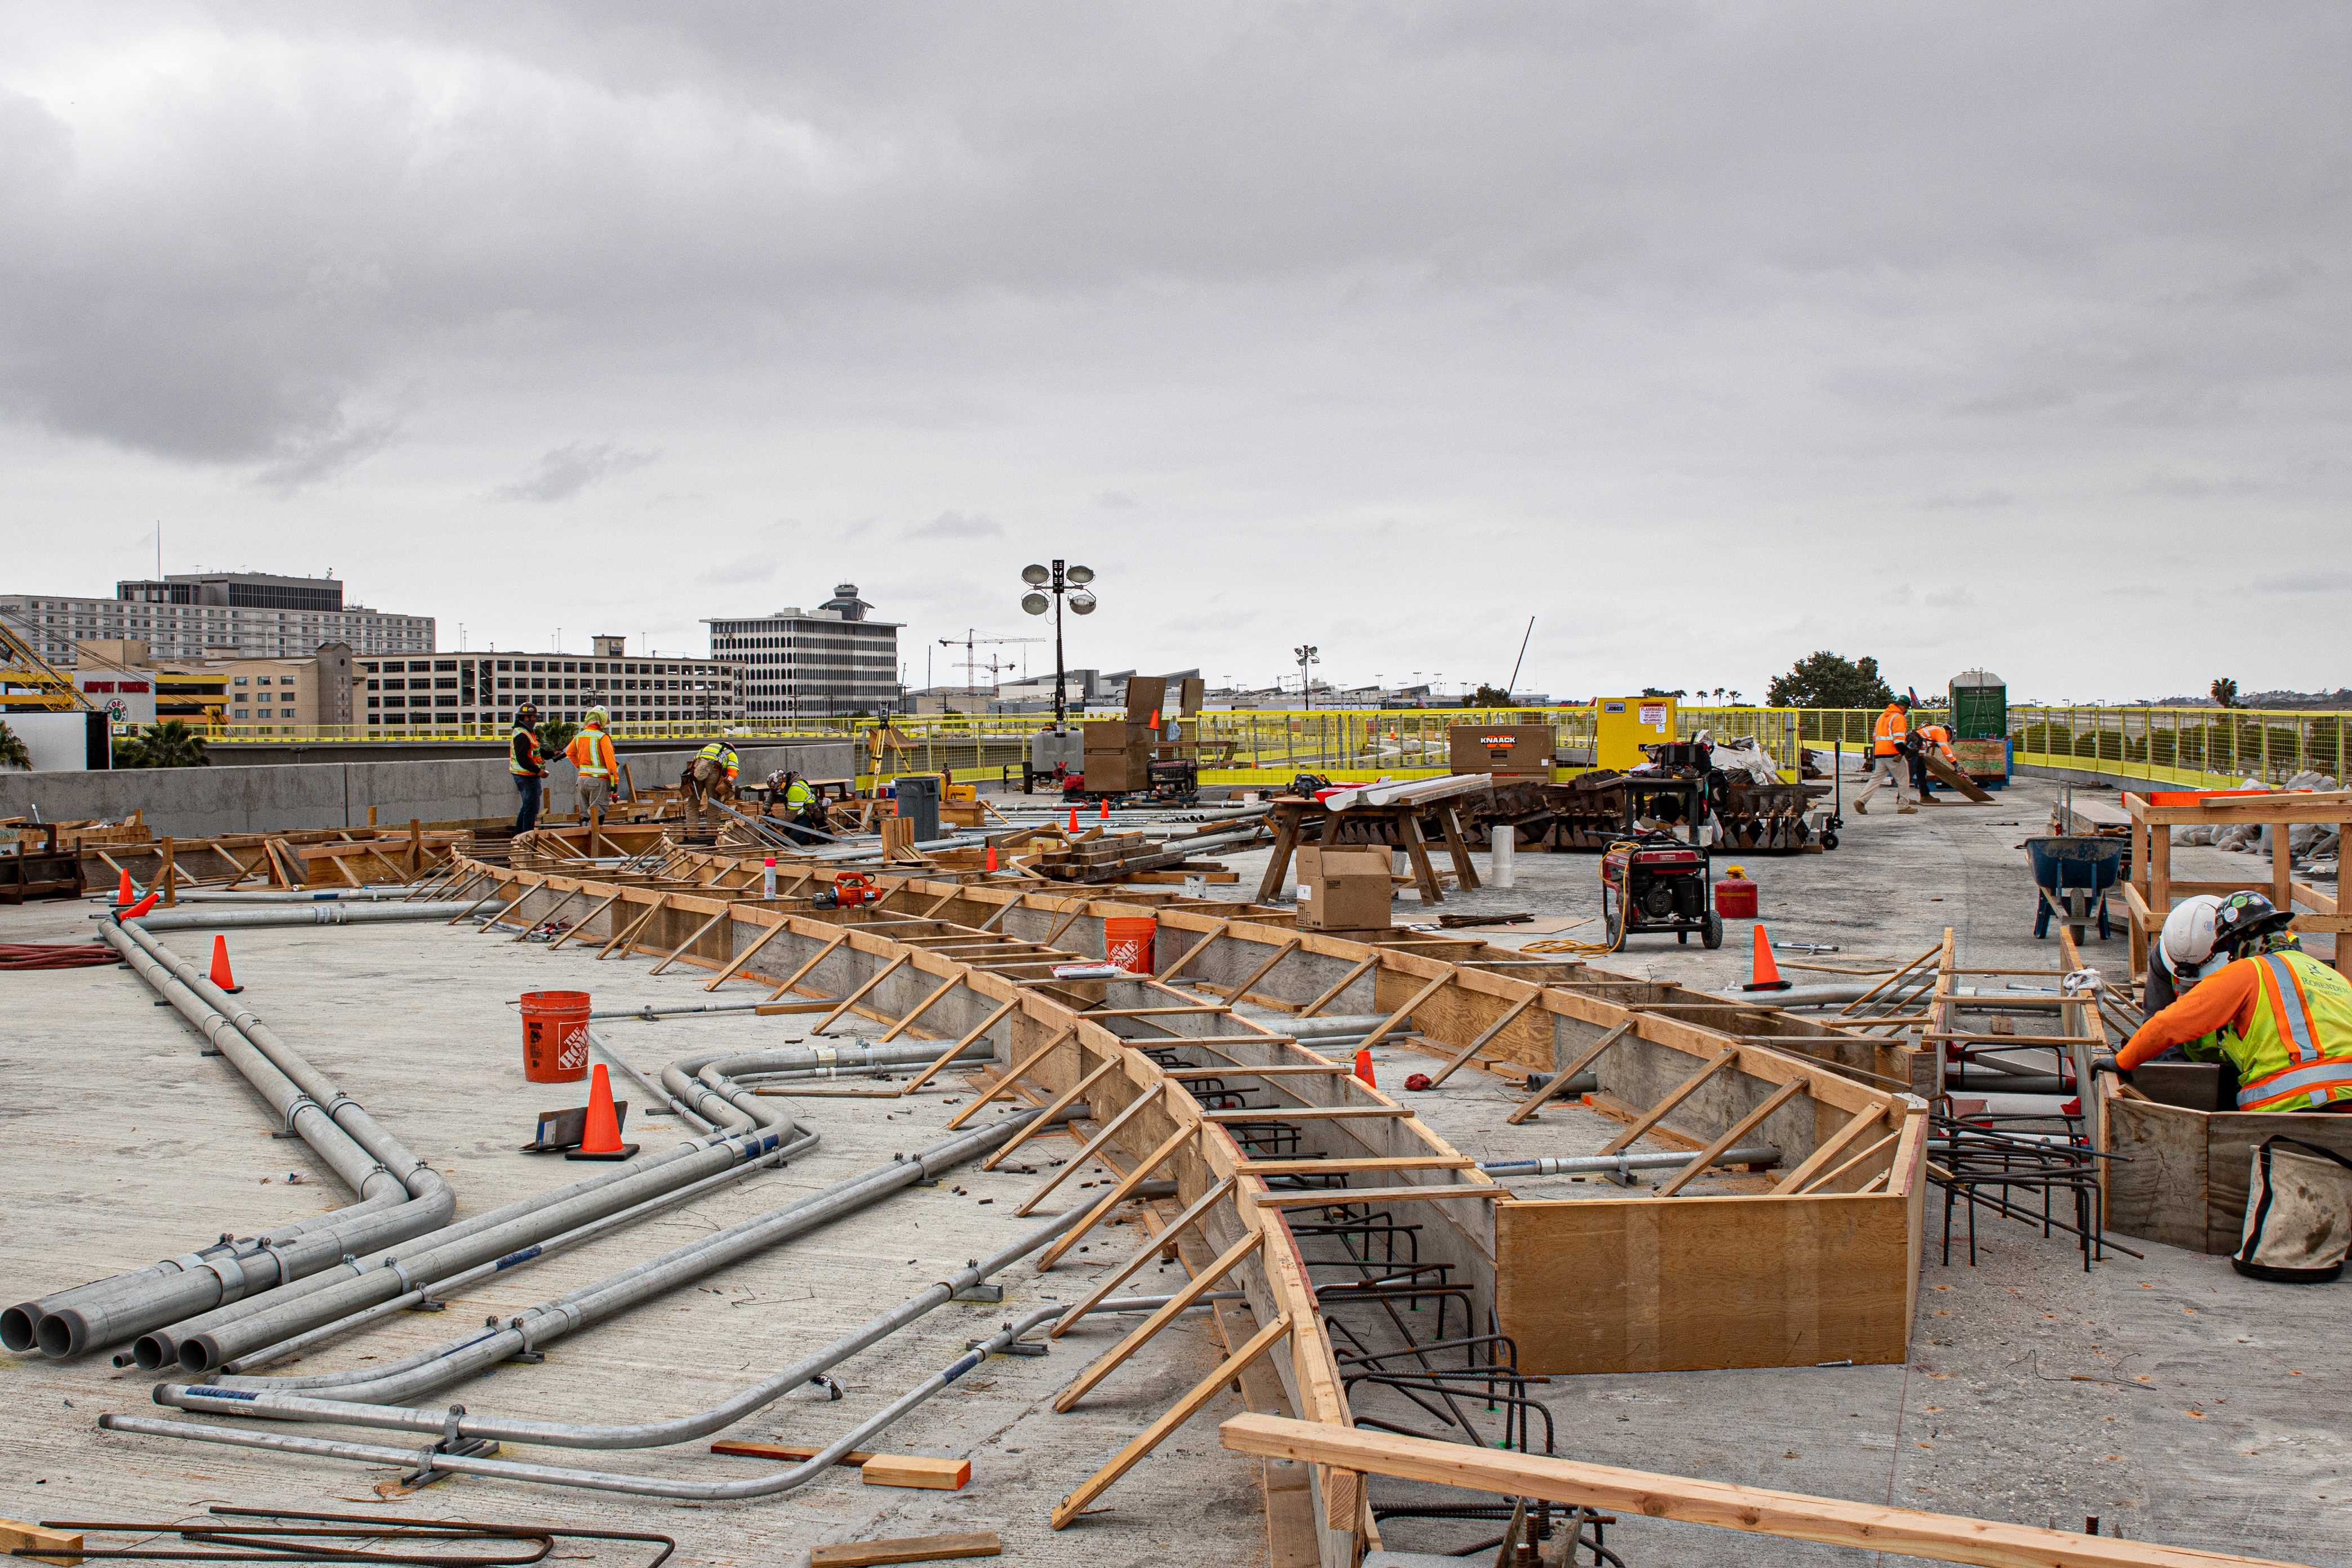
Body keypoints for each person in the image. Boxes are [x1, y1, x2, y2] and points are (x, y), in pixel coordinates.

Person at [2110, 892, 2352, 1112]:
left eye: (2229, 947)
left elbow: (2167, 1025)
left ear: (2240, 940)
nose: (2230, 955)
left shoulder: (2248, 970)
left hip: (2289, 1104)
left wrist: (2122, 1062)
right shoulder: (2334, 976)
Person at [1852, 696, 1917, 815]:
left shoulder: (1882, 717)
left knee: (1876, 779)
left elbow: (1875, 736)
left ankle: (1861, 800)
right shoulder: (1898, 717)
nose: (1906, 710)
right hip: (1893, 753)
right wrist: (1904, 752)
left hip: (1880, 752)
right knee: (1903, 778)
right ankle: (1903, 805)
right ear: (1902, 706)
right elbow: (1898, 740)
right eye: (1907, 708)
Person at [567, 709, 618, 825]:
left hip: (582, 781)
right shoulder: (602, 737)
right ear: (602, 721)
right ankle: (595, 840)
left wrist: (581, 767)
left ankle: (583, 838)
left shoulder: (579, 736)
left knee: (585, 815)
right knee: (598, 814)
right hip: (599, 782)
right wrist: (615, 784)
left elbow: (570, 753)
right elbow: (611, 764)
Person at [681, 739, 740, 836]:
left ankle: (692, 834)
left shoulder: (706, 748)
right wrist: (727, 783)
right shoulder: (730, 753)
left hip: (696, 773)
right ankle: (711, 833)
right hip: (713, 772)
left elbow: (694, 762)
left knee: (692, 805)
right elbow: (734, 770)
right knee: (714, 803)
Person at [509, 703, 547, 833]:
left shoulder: (526, 732)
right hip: (527, 776)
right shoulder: (523, 735)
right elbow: (522, 758)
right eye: (533, 718)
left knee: (527, 808)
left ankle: (519, 836)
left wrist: (551, 754)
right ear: (526, 718)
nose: (535, 721)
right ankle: (527, 837)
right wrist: (538, 771)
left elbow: (535, 750)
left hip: (525, 776)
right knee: (531, 810)